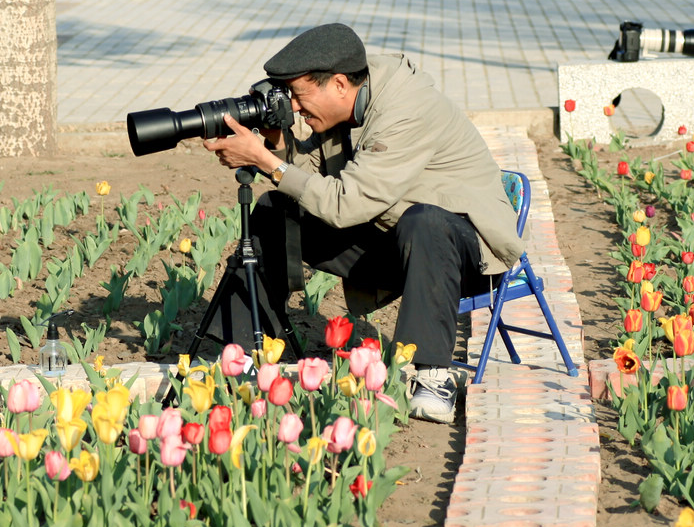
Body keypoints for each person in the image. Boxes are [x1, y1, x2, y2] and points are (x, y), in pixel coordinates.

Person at [202, 23, 524, 423]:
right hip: (393, 235)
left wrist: (267, 162)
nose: (297, 109)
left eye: (300, 97)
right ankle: (242, 352)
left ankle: (433, 374)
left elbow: (343, 204)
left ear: (338, 84)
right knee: (276, 207)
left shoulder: (405, 109)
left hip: (462, 255)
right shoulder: (352, 101)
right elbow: (315, 180)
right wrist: (278, 147)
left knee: (425, 221)